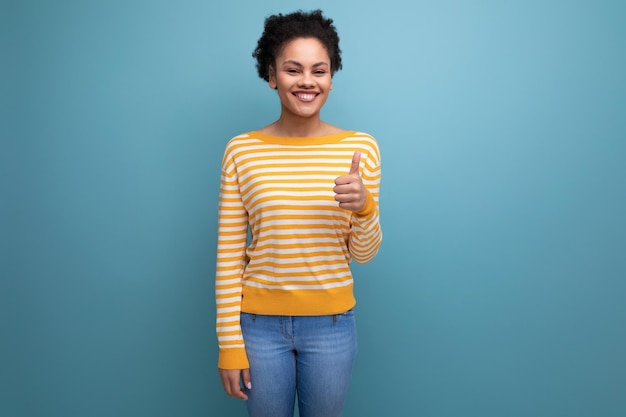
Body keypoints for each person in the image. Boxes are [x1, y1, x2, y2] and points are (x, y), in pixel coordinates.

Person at [215, 9, 382, 417]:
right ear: (272, 75)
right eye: (293, 69)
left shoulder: (360, 150)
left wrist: (364, 208)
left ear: (330, 78)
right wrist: (229, 345)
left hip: (331, 325)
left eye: (319, 70)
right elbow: (229, 255)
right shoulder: (242, 150)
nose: (307, 81)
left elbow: (363, 254)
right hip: (258, 327)